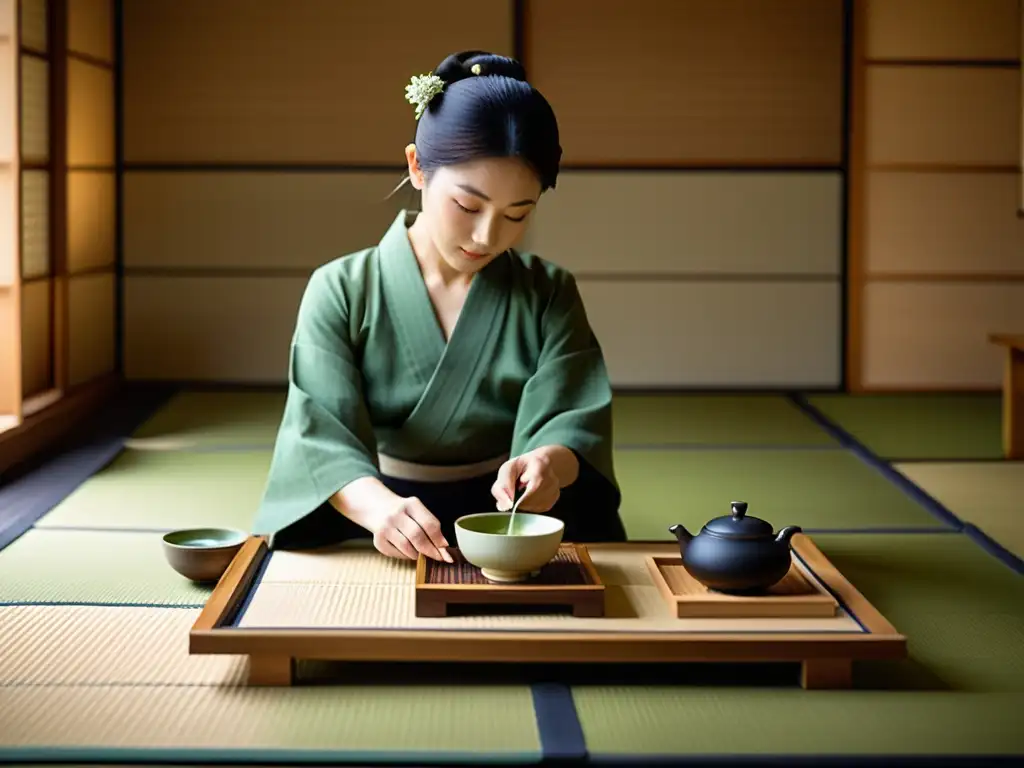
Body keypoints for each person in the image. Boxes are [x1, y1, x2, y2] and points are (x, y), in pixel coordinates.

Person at [252, 50, 626, 559]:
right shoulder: (341, 287)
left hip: (513, 519)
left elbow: (572, 419)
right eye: (468, 205)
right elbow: (318, 437)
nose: (486, 236)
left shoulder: (548, 292)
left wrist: (547, 464)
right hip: (379, 517)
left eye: (518, 214)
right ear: (417, 167)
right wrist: (377, 508)